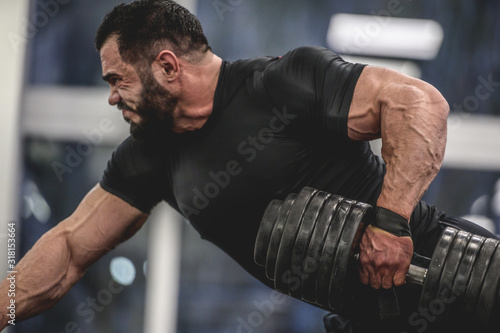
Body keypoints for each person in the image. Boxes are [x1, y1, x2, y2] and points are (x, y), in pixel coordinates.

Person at [0, 1, 497, 332]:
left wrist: (391, 224)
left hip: (455, 277)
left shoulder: (281, 82)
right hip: (367, 318)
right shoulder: (151, 154)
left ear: (168, 67)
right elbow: (67, 249)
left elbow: (418, 105)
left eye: (118, 80)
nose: (112, 97)